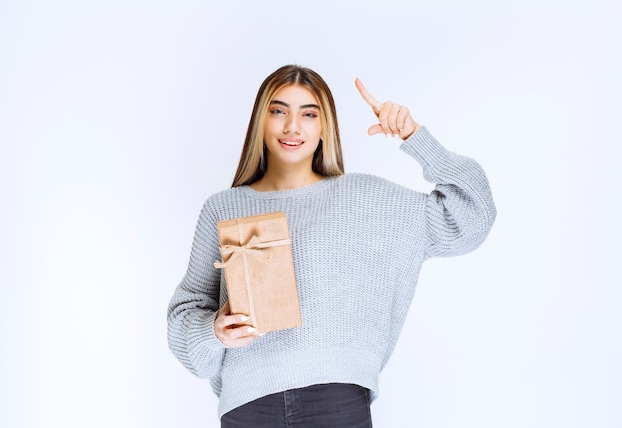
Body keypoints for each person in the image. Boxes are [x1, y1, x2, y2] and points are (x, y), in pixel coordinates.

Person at [167, 64, 496, 427]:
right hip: (248, 407)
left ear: (325, 127)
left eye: (309, 114)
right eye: (278, 111)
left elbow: (472, 217)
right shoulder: (224, 208)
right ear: (260, 120)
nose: (293, 126)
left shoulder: (365, 197)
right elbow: (186, 320)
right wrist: (214, 330)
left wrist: (415, 138)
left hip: (336, 402)